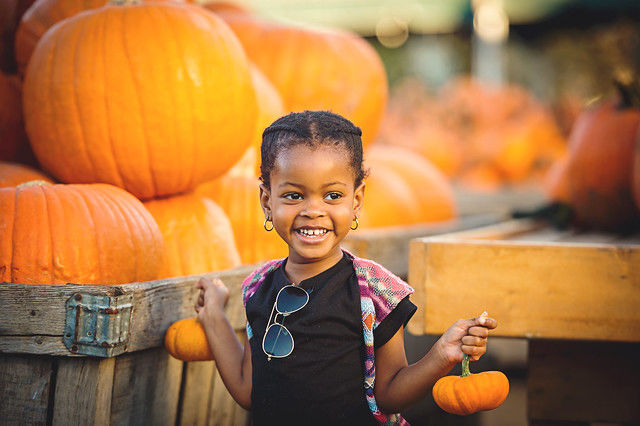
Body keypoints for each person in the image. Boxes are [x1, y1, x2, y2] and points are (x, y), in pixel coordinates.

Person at [195, 110, 497, 425]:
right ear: (267, 200)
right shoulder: (259, 287)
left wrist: (440, 356)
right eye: (294, 195)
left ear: (356, 200)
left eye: (332, 195)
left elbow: (390, 395)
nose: (313, 210)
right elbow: (250, 391)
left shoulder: (374, 292)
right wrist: (214, 317)